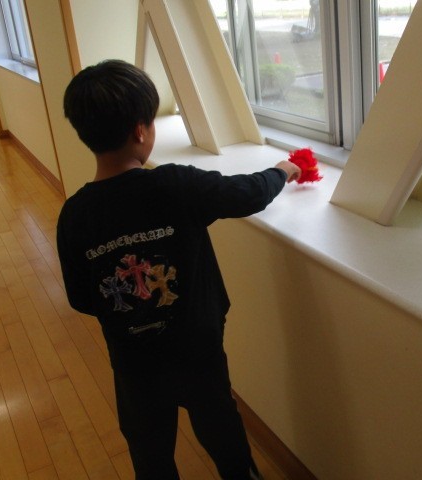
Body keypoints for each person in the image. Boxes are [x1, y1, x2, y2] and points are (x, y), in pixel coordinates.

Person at [57, 59, 301, 480]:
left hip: (133, 361)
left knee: (149, 451)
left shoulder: (75, 215)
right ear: (140, 130)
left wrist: (136, 317)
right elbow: (246, 194)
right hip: (198, 351)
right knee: (222, 431)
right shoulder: (175, 185)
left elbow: (81, 297)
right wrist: (281, 171)